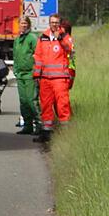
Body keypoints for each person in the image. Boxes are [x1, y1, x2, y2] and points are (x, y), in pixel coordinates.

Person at [32, 14, 74, 143]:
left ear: (60, 24)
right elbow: (38, 56)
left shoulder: (65, 37)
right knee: (45, 105)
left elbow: (70, 50)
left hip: (60, 78)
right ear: (49, 23)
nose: (54, 25)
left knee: (62, 105)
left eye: (56, 23)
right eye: (52, 22)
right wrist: (36, 74)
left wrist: (60, 38)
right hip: (45, 78)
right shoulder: (43, 38)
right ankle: (46, 132)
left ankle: (65, 134)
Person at [12, 16, 40, 135]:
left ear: (28, 24)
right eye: (21, 23)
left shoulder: (32, 38)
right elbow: (15, 56)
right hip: (20, 75)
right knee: (23, 101)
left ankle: (39, 125)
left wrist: (36, 70)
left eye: (25, 23)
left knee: (31, 100)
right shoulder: (17, 40)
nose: (23, 25)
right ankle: (27, 126)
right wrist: (16, 70)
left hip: (30, 74)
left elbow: (38, 54)